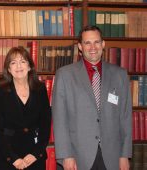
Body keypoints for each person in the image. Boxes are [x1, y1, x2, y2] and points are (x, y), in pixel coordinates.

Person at [52, 25, 132, 170]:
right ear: (80, 46)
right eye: (87, 43)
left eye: (96, 42)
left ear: (103, 44)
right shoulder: (64, 75)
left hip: (112, 156)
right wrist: (66, 156)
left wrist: (124, 155)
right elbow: (60, 119)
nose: (92, 47)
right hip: (77, 157)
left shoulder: (120, 75)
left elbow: (125, 118)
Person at [0, 47, 52, 170]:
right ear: (8, 69)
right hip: (9, 157)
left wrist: (36, 153)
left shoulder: (40, 89)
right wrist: (12, 158)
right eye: (13, 62)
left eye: (23, 61)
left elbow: (45, 125)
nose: (18, 66)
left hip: (35, 156)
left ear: (29, 66)